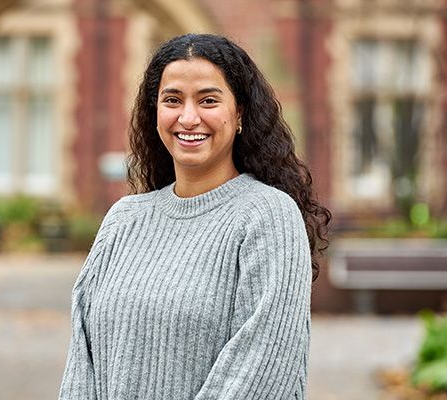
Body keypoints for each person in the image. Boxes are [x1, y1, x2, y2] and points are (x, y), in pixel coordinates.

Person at [59, 33, 331, 400]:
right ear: (154, 112)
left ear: (239, 115)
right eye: (172, 100)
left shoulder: (268, 216)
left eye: (208, 100)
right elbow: (82, 362)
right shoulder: (123, 219)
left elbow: (264, 368)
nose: (188, 118)